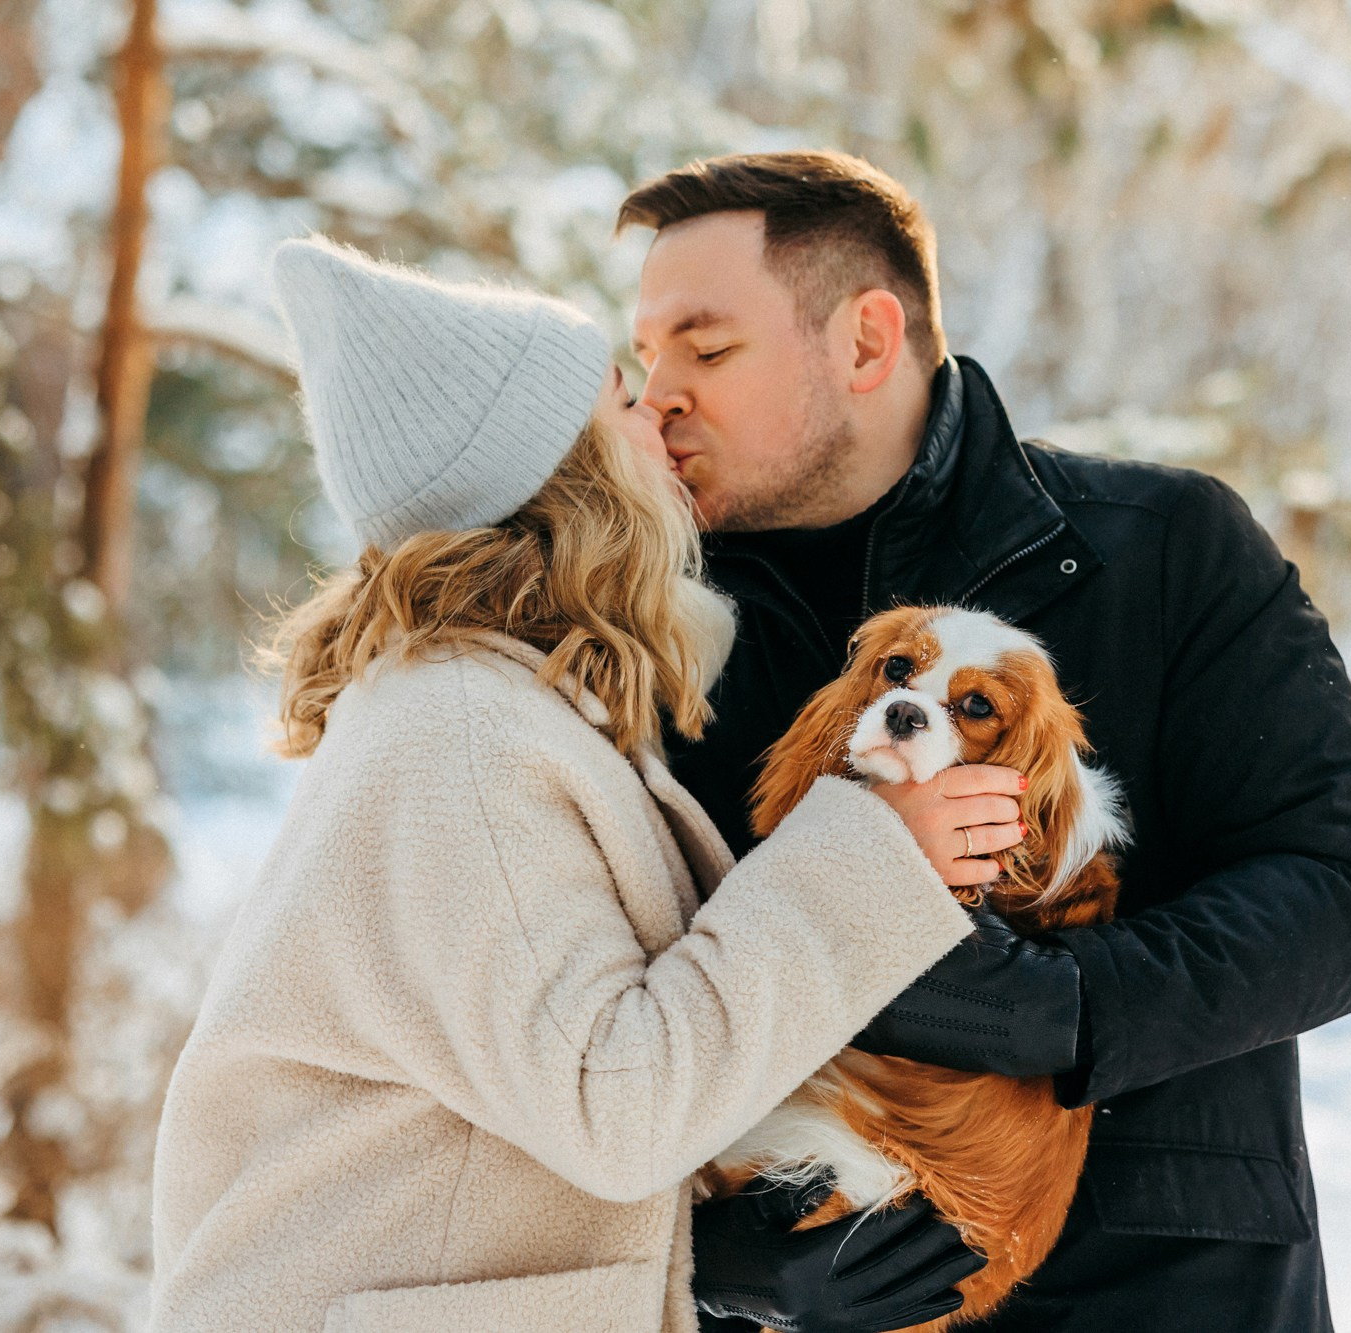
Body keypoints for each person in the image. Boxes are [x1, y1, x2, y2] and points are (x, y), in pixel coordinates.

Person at [147, 235, 1019, 1332]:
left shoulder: (485, 714)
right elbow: (617, 1106)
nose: (659, 419)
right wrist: (876, 853)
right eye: (619, 401)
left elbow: (520, 1102)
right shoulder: (460, 736)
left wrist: (721, 1260)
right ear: (562, 473)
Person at [620, 151, 1351, 1332]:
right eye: (644, 360)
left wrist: (1056, 1008)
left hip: (1166, 1300)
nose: (657, 396)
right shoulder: (650, 638)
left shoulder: (1165, 549)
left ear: (867, 341)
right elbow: (572, 1020)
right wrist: (692, 1253)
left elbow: (1339, 904)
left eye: (705, 347)